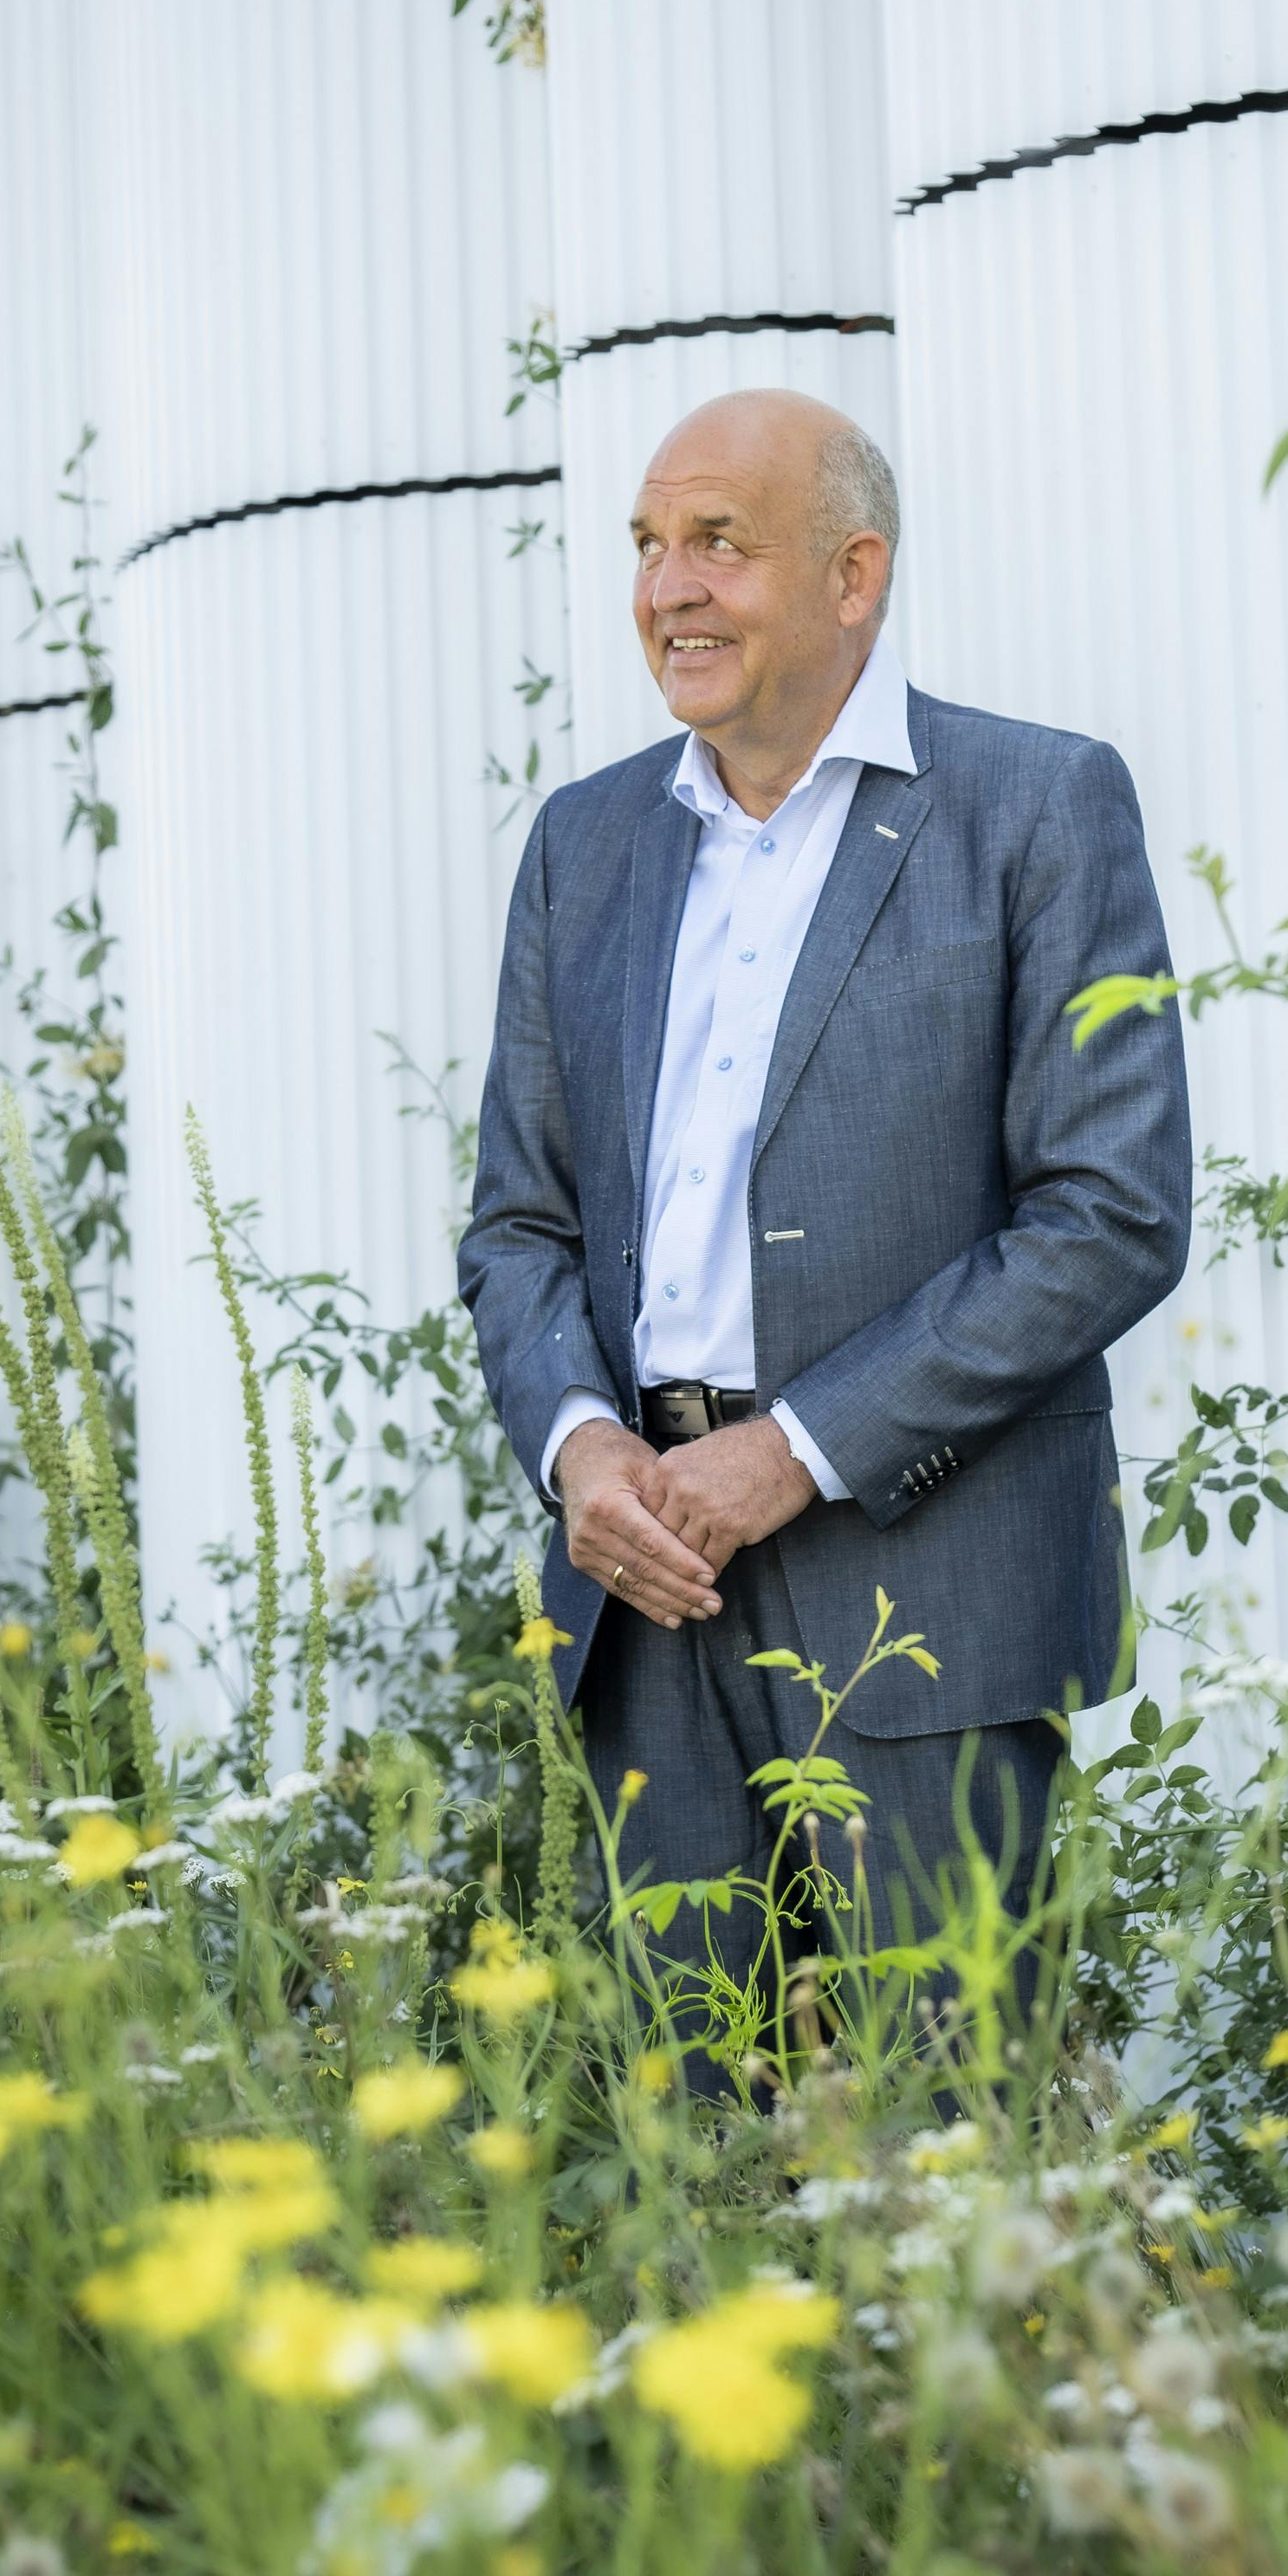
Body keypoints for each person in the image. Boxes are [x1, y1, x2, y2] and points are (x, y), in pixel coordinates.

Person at [457, 387, 1188, 2080]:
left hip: (924, 1591)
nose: (668, 588)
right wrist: (581, 1454)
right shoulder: (585, 845)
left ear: (855, 574)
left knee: (948, 2158)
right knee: (697, 2152)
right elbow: (519, 1222)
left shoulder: (1036, 808)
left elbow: (1111, 1210)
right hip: (645, 1592)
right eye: (648, 544)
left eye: (719, 540)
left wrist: (796, 1446)